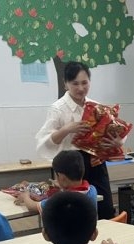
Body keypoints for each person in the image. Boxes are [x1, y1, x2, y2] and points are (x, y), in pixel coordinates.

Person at [36, 61, 122, 219]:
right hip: (71, 166)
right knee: (75, 212)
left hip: (95, 162)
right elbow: (46, 141)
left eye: (84, 83)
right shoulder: (58, 108)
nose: (81, 88)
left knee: (104, 208)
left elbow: (112, 134)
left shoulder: (97, 107)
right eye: (75, 83)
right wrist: (67, 129)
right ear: (66, 84)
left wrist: (116, 142)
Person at [16, 150, 97, 213]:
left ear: (62, 177)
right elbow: (75, 192)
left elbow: (32, 207)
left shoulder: (60, 200)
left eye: (56, 176)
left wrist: (25, 196)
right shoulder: (92, 190)